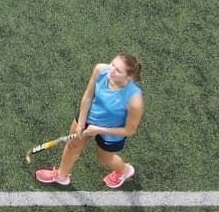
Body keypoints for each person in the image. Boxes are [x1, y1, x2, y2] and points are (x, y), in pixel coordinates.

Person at [34, 55, 145, 190]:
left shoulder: (134, 100)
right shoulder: (101, 70)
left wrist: (99, 130)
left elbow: (129, 130)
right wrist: (81, 123)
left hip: (112, 131)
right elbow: (88, 96)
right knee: (72, 145)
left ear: (128, 77)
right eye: (112, 64)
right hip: (88, 116)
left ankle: (124, 171)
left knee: (104, 158)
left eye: (118, 70)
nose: (111, 70)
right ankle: (61, 176)